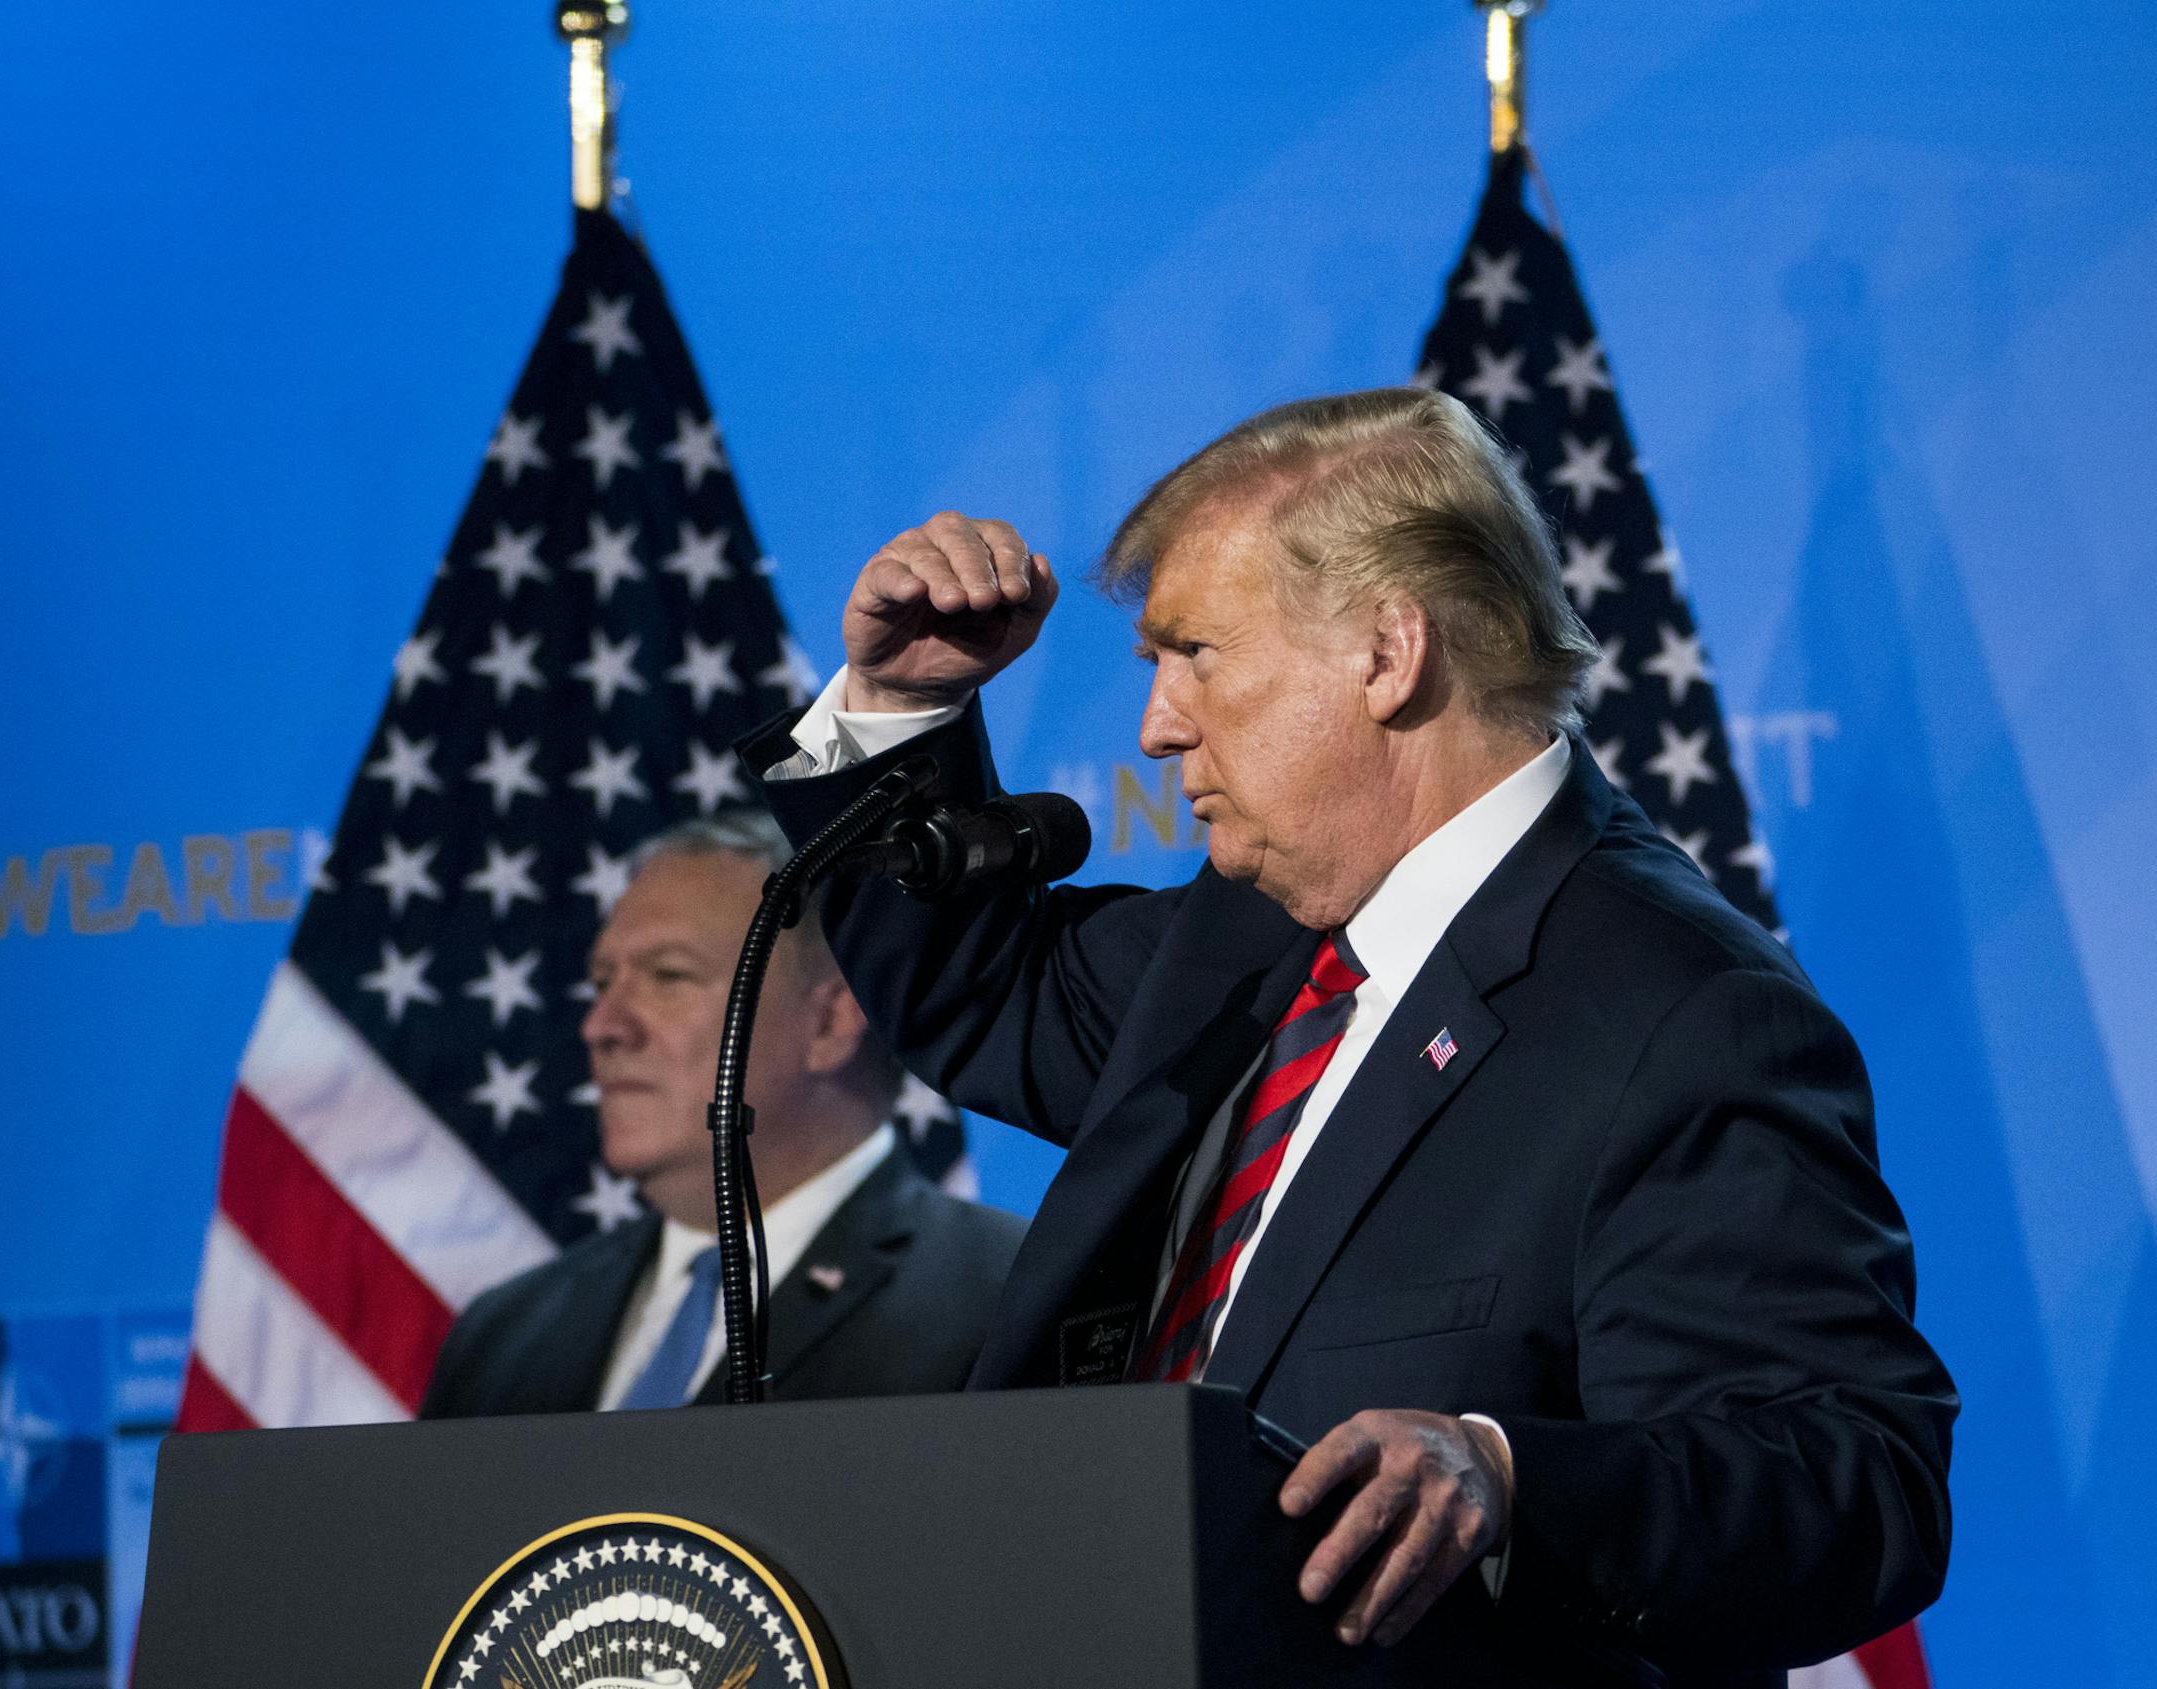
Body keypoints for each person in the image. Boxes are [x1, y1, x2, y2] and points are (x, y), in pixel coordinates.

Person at [743, 389, 1956, 1685]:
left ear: (1387, 653)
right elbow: (982, 989)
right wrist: (896, 705)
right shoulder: (1248, 932)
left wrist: (1501, 1474)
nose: (1156, 724)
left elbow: (1855, 1480)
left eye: (1194, 652)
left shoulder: (1683, 1012)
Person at [421, 812, 1027, 1418]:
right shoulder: (504, 1335)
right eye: (603, 982)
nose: (602, 1026)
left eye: (669, 976)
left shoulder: (1005, 1301)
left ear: (830, 1023)